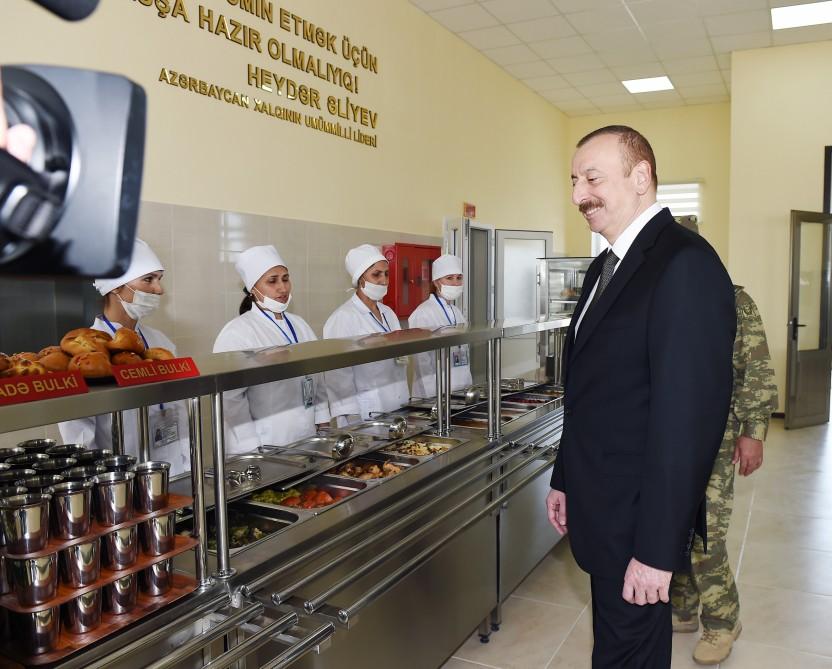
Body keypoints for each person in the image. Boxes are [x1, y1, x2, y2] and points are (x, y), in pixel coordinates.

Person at [545, 125, 736, 668]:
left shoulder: (684, 264)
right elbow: (592, 394)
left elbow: (687, 425)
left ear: (641, 177)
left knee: (627, 654)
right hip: (601, 506)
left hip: (637, 522)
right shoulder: (605, 266)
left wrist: (656, 552)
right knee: (616, 642)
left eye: (593, 178)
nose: (580, 194)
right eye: (575, 180)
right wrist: (565, 478)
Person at [670, 285, 778, 665]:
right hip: (669, 438)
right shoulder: (663, 294)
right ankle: (683, 605)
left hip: (717, 435)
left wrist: (754, 431)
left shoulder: (732, 300)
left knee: (706, 532)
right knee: (673, 524)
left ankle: (722, 619)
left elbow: (758, 368)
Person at [59, 238, 190, 476]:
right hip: (119, 483)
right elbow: (78, 436)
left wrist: (187, 468)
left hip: (173, 472)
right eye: (148, 279)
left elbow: (179, 411)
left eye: (159, 279)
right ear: (116, 287)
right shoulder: (84, 356)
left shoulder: (161, 342)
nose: (159, 289)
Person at [213, 245, 330, 454]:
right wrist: (250, 446)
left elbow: (318, 375)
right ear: (252, 288)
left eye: (285, 279)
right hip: (265, 442)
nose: (283, 288)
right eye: (272, 281)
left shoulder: (300, 324)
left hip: (306, 434)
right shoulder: (237, 332)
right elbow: (230, 398)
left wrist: (322, 419)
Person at [323, 244, 409, 424]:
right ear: (360, 278)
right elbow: (338, 376)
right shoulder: (343, 318)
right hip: (365, 411)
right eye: (376, 274)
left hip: (397, 404)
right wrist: (351, 418)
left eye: (386, 274)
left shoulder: (389, 314)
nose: (384, 280)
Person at [409, 254, 472, 398]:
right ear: (436, 282)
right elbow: (422, 364)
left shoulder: (457, 312)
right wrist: (433, 398)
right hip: (435, 394)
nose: (456, 283)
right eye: (449, 278)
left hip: (460, 390)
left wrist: (467, 386)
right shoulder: (423, 313)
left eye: (459, 278)